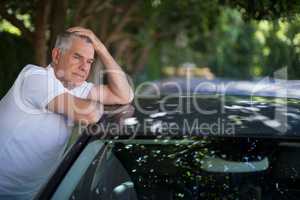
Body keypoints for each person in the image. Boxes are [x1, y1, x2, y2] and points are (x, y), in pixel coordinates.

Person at [0, 27, 134, 199]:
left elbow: (125, 95)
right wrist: (95, 106)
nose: (83, 67)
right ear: (56, 55)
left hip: (32, 194)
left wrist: (101, 47)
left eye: (89, 61)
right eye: (77, 57)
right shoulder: (34, 77)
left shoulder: (77, 87)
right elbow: (90, 114)